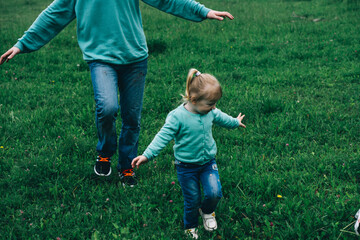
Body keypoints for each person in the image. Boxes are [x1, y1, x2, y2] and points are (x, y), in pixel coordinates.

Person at [0, 0, 234, 186]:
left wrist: (203, 11)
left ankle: (127, 165)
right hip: (100, 59)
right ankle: (104, 152)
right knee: (108, 107)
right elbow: (53, 16)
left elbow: (166, 0)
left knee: (132, 117)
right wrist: (22, 44)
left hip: (135, 59)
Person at [132, 68, 246, 238]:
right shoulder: (177, 117)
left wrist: (235, 122)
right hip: (186, 167)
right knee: (192, 199)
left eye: (214, 104)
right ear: (193, 99)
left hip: (208, 162)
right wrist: (147, 155)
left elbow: (222, 118)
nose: (214, 107)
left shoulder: (210, 112)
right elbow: (162, 137)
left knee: (215, 193)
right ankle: (190, 227)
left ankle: (207, 212)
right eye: (210, 104)